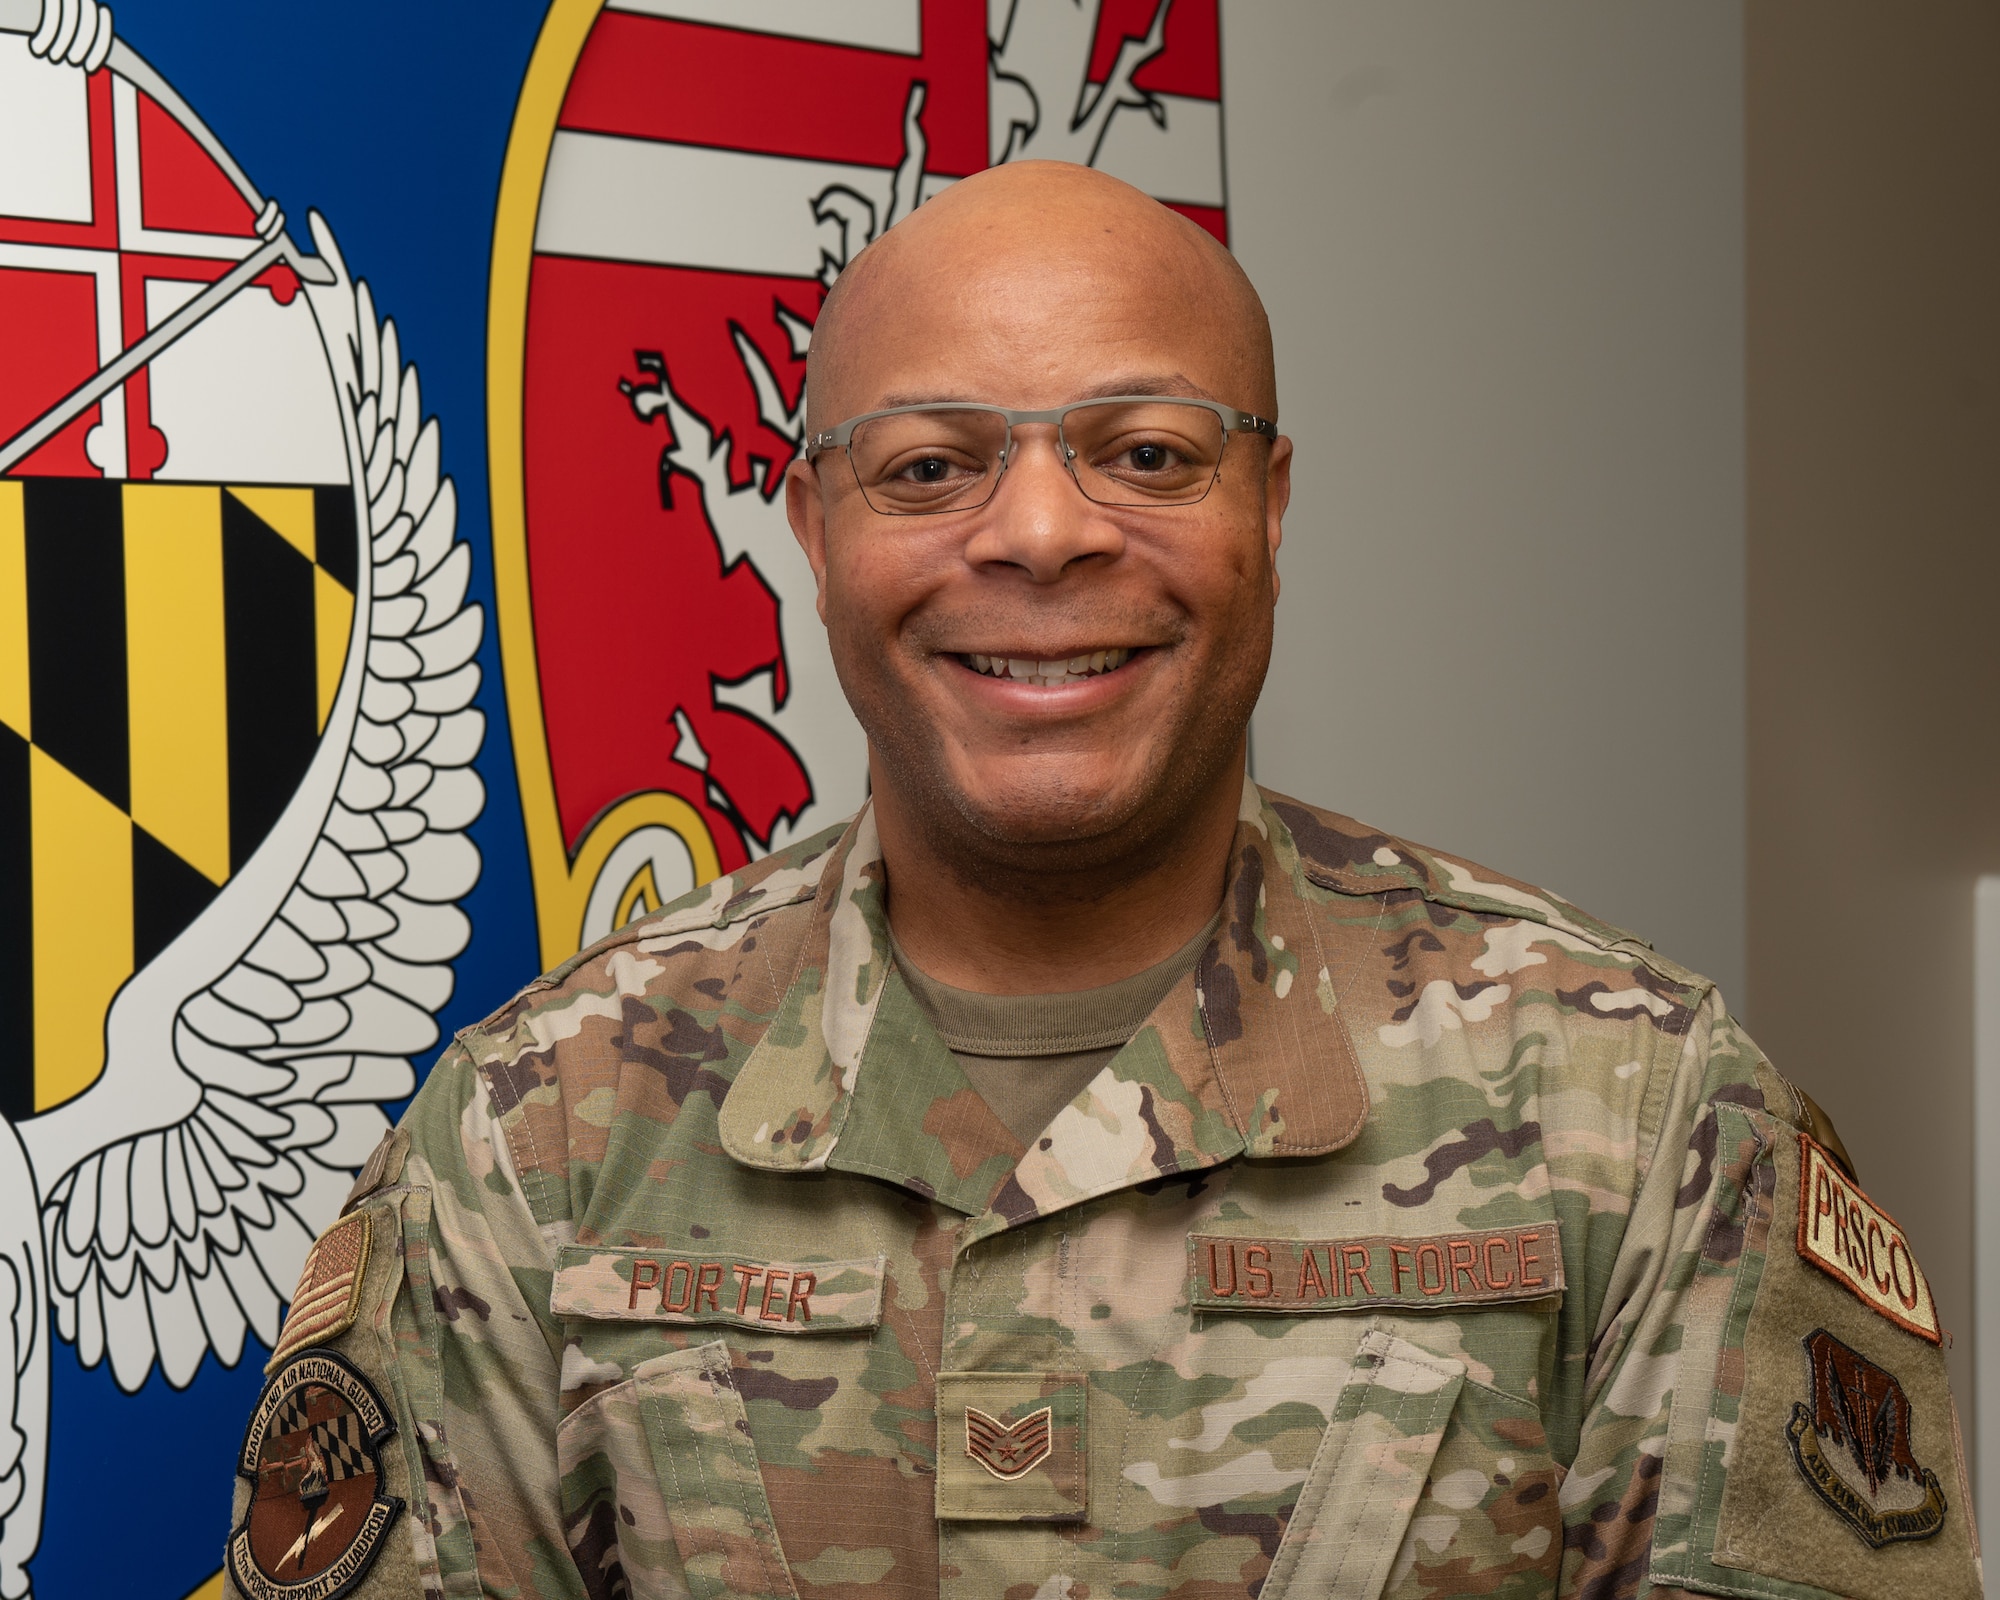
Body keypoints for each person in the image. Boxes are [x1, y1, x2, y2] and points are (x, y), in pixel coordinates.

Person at [221, 161, 1981, 1600]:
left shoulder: (1637, 1107)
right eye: (931, 465)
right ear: (815, 535)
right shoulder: (545, 1130)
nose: (1044, 532)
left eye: (1146, 452)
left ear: (1270, 510)